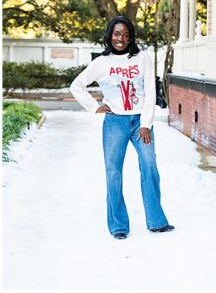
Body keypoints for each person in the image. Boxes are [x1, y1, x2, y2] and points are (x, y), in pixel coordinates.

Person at [69, 16, 174, 240]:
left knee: (149, 167)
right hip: (115, 123)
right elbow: (76, 86)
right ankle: (118, 225)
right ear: (110, 35)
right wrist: (94, 107)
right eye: (117, 34)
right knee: (113, 172)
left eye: (126, 35)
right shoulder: (101, 63)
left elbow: (149, 93)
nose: (121, 39)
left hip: (140, 123)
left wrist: (146, 124)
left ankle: (156, 221)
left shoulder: (142, 57)